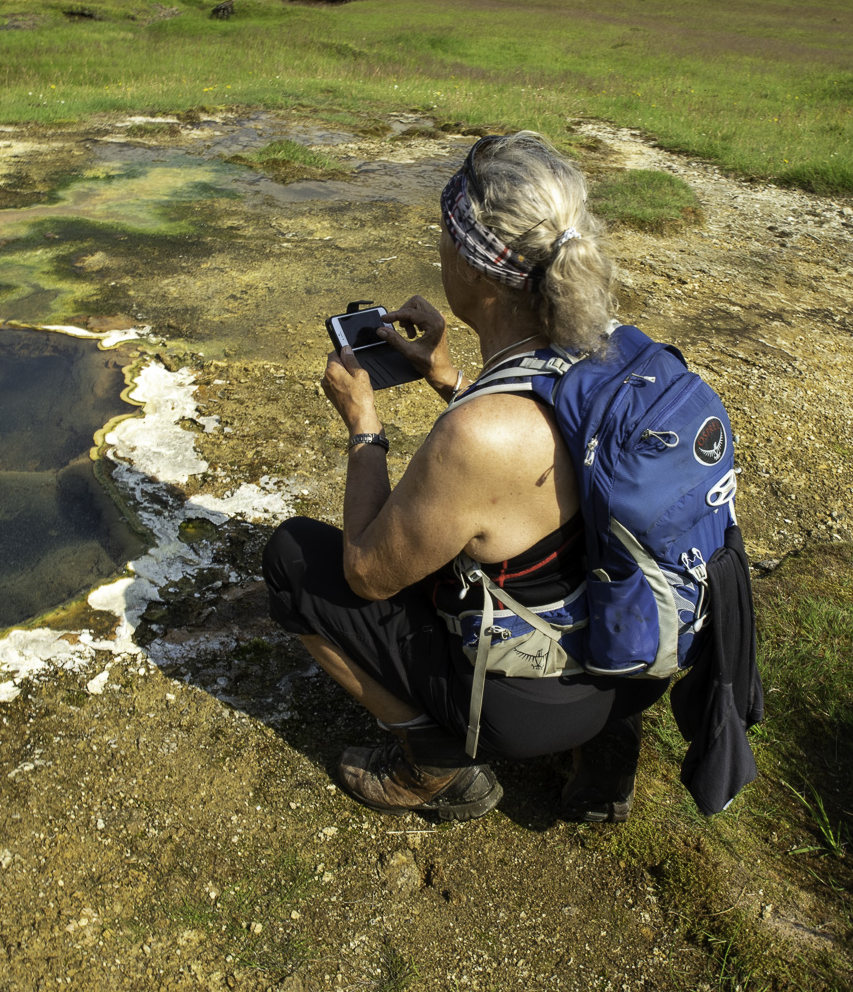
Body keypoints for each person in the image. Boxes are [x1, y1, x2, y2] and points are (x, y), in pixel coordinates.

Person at [262, 132, 669, 822]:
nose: (439, 248)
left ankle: (437, 763)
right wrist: (449, 378)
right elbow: (542, 468)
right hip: (631, 663)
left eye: (446, 235)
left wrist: (364, 426)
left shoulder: (478, 436)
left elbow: (367, 570)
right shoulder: (616, 355)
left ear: (479, 272)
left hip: (530, 705)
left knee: (292, 558)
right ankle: (606, 759)